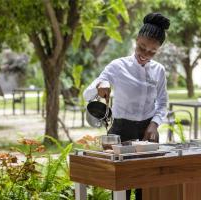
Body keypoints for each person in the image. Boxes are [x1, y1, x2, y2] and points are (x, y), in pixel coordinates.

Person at [83, 12, 170, 200]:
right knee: (121, 186)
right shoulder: (117, 66)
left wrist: (154, 124)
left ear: (158, 50)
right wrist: (100, 85)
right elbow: (87, 94)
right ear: (137, 39)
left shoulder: (159, 71)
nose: (145, 55)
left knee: (147, 188)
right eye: (142, 47)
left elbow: (162, 103)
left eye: (152, 51)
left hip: (148, 133)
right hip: (121, 131)